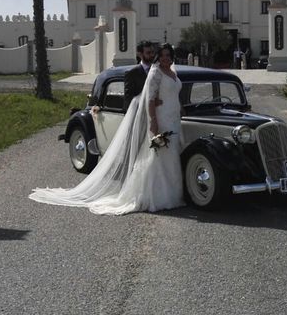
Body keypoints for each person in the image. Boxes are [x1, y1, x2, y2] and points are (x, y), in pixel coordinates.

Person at [29, 43, 185, 215]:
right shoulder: (152, 72)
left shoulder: (173, 73)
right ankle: (153, 195)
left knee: (170, 156)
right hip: (155, 117)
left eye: (168, 55)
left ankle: (173, 193)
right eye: (162, 55)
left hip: (172, 117)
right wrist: (153, 117)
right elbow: (137, 100)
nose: (165, 58)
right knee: (157, 156)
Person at [124, 40, 155, 110]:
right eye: (148, 53)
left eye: (153, 52)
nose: (152, 55)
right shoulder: (132, 73)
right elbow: (129, 100)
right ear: (140, 54)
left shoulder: (158, 70)